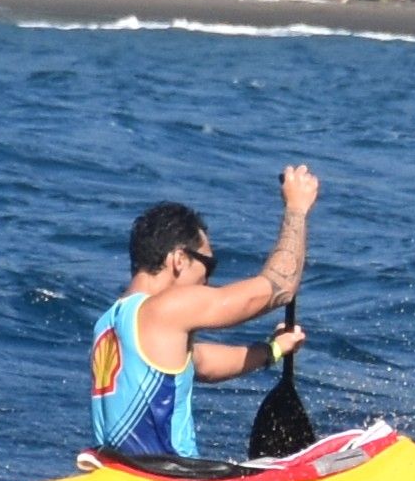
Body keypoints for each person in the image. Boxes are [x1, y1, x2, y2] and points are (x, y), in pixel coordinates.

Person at [92, 171, 315, 462]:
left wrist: (272, 350)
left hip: (117, 471)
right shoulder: (164, 307)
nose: (207, 280)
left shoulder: (110, 323)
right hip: (169, 478)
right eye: (208, 266)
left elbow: (201, 363)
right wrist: (296, 208)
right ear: (179, 259)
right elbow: (279, 286)